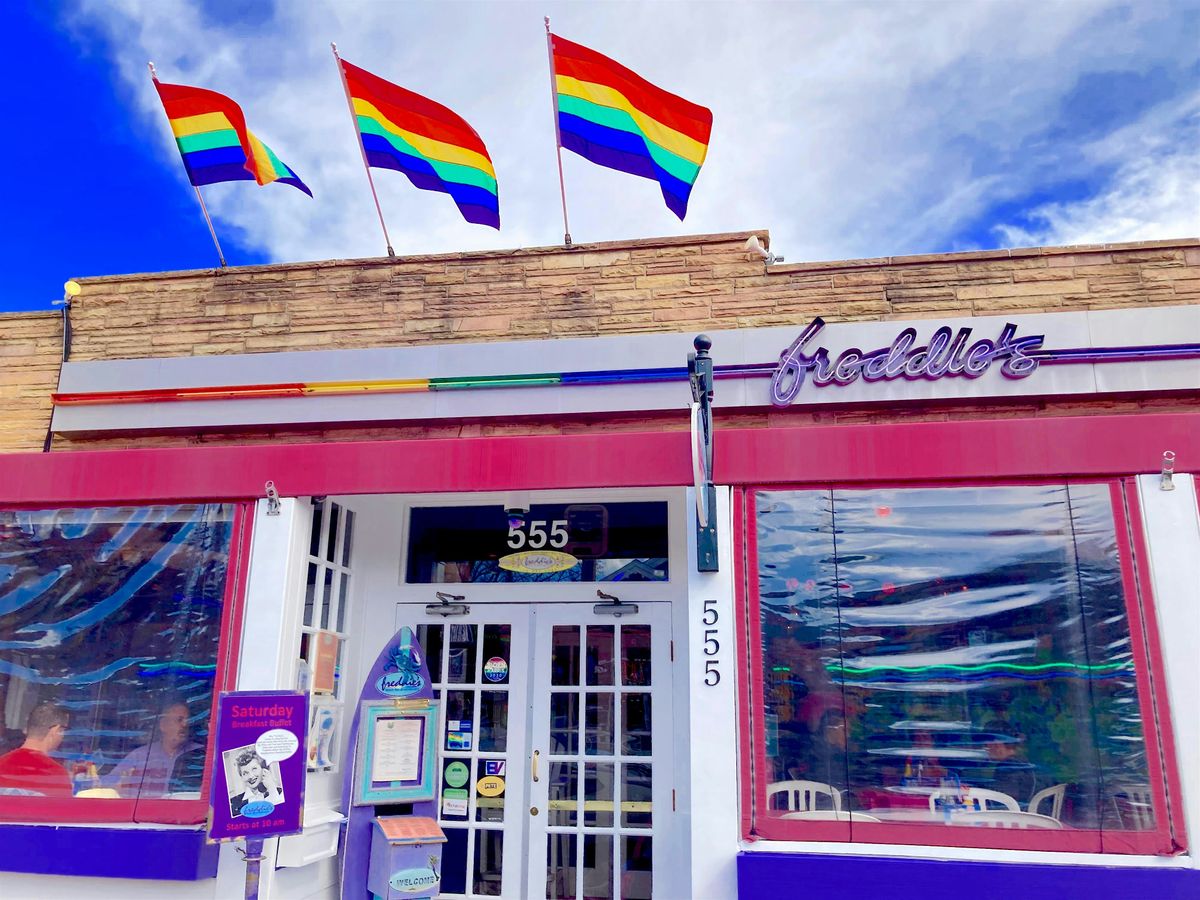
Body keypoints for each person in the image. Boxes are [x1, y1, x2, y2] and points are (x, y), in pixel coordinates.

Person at [106, 700, 201, 797]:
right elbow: (108, 787)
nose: (185, 725)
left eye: (188, 721)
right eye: (179, 720)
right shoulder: (140, 755)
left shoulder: (200, 754)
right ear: (163, 725)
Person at [0, 702, 72, 797]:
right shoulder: (56, 774)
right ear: (55, 731)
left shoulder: (1, 764)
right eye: (64, 730)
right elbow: (63, 806)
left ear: (27, 729)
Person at [229, 749, 283, 817]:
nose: (251, 776)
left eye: (254, 769)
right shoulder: (233, 804)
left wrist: (272, 789)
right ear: (241, 777)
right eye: (245, 773)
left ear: (263, 770)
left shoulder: (279, 793)